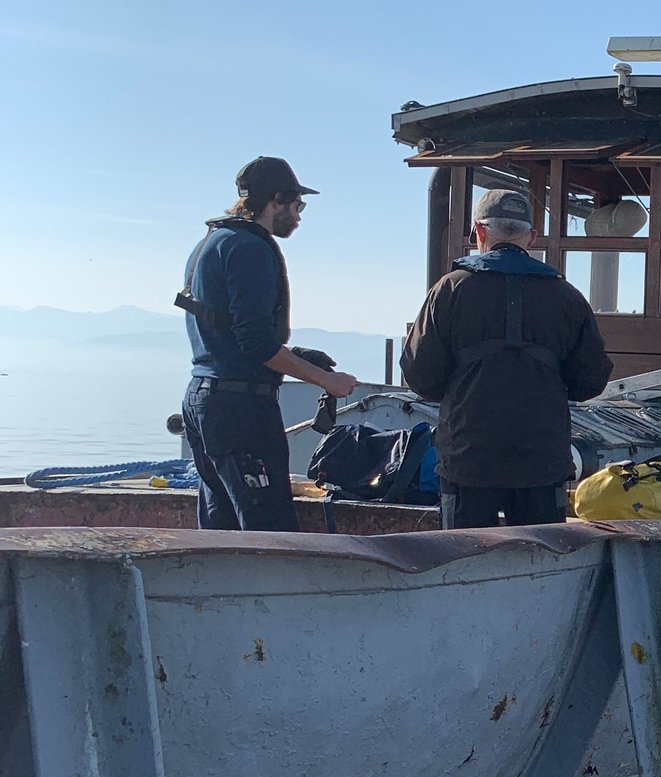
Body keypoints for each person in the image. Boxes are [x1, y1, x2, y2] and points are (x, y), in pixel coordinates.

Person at [401, 188, 612, 529]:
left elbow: (420, 375)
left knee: (464, 561)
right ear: (532, 237)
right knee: (541, 564)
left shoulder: (450, 289)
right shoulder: (567, 296)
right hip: (542, 461)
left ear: (480, 232)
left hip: (468, 459)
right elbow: (590, 380)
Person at [178, 157, 359, 530]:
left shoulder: (211, 242)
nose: (299, 216)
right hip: (240, 409)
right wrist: (327, 382)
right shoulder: (250, 249)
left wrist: (295, 355)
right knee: (269, 528)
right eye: (298, 206)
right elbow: (257, 343)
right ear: (277, 199)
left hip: (203, 399)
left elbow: (231, 333)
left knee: (220, 523)